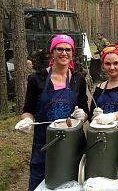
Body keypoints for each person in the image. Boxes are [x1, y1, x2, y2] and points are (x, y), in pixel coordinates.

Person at [14, 34, 89, 191]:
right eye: (59, 49)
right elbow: (28, 110)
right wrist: (26, 120)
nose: (64, 53)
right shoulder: (36, 79)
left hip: (72, 144)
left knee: (71, 185)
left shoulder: (78, 79)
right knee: (38, 185)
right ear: (52, 52)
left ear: (72, 53)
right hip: (45, 144)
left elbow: (85, 109)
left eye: (68, 49)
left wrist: (83, 115)